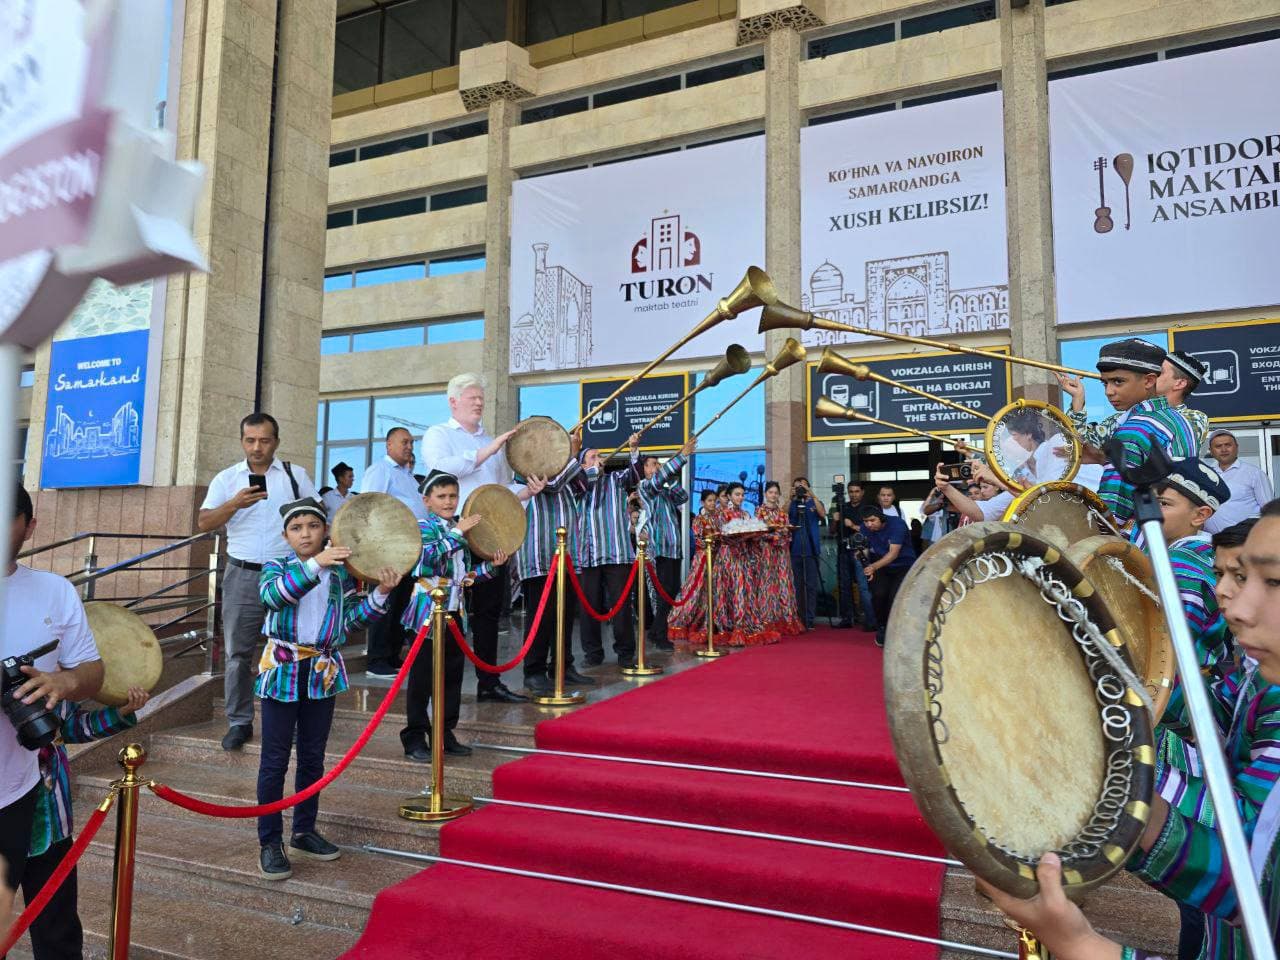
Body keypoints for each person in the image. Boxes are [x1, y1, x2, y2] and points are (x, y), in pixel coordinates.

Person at [981, 500, 1280, 960]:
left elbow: (1251, 868)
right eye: (1239, 577)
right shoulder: (1265, 677)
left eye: (1270, 581)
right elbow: (1255, 883)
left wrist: (1080, 945)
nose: (1236, 605)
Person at [255, 497, 400, 880]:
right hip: (283, 672)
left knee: (313, 757)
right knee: (273, 763)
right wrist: (316, 564)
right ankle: (270, 842)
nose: (306, 534)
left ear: (325, 530)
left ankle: (304, 830)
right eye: (296, 528)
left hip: (323, 673)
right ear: (286, 535)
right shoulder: (276, 567)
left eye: (313, 526)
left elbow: (351, 619)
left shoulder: (340, 573)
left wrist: (381, 593)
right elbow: (274, 597)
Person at [1, 486, 105, 959]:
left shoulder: (54, 590)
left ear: (28, 525)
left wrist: (63, 684)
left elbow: (92, 672)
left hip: (38, 787)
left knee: (57, 923)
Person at [198, 412, 318, 751]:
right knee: (238, 653)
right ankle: (239, 722)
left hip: (287, 574)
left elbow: (317, 516)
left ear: (276, 442)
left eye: (264, 440)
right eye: (250, 440)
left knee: (293, 647)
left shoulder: (295, 476)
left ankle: (290, 718)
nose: (257, 447)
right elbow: (204, 521)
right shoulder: (227, 478)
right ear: (241, 442)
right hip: (242, 574)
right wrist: (235, 503)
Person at [421, 373, 534, 704]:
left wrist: (528, 489)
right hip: (452, 531)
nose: (479, 403)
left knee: (488, 611)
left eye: (482, 399)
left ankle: (489, 682)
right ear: (453, 401)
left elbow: (501, 490)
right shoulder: (439, 434)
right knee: (448, 610)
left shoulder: (491, 443)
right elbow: (442, 470)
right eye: (473, 398)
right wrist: (487, 449)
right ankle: (440, 684)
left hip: (489, 533)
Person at [24, 687, 148, 958]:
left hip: (51, 821)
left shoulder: (53, 668)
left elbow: (71, 727)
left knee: (58, 931)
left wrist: (121, 712)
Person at [399, 472, 507, 762]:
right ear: (427, 501)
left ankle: (444, 733)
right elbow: (425, 561)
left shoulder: (459, 527)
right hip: (425, 613)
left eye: (452, 496)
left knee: (452, 677)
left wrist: (491, 568)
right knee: (422, 678)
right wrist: (458, 533)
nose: (448, 501)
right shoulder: (422, 527)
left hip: (454, 612)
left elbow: (464, 577)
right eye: (441, 496)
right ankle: (414, 737)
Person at [1057, 339, 1196, 527]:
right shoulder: (1177, 420)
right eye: (1104, 383)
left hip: (1144, 543)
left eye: (1118, 382)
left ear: (1148, 380)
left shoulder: (1134, 430)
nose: (1109, 391)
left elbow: (1110, 519)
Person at [515, 438, 594, 696]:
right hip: (540, 555)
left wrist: (578, 463)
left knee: (565, 616)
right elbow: (551, 484)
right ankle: (534, 671)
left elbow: (583, 486)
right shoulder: (523, 464)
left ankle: (562, 666)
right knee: (541, 617)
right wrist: (571, 455)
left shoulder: (566, 467)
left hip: (568, 555)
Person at [359, 427, 428, 679]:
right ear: (388, 445)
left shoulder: (409, 476)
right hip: (388, 548)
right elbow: (369, 505)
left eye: (411, 442)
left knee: (401, 602)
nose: (409, 446)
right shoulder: (381, 470)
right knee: (385, 601)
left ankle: (392, 655)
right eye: (404, 442)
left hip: (409, 550)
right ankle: (376, 659)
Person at [576, 437, 642, 669]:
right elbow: (584, 482)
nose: (599, 460)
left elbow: (634, 475)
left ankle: (625, 652)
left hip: (617, 553)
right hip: (588, 554)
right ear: (582, 465)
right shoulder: (577, 483)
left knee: (621, 605)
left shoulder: (614, 479)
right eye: (592, 457)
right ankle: (593, 653)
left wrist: (633, 449)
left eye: (600, 456)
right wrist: (590, 471)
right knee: (589, 606)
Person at [636, 438, 695, 651]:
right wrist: (682, 456)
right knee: (663, 592)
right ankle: (658, 633)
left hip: (673, 546)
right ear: (643, 469)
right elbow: (655, 481)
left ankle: (658, 631)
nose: (655, 468)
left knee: (670, 591)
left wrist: (671, 479)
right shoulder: (645, 487)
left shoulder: (664, 488)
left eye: (657, 464)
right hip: (659, 547)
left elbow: (683, 496)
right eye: (651, 464)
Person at [859, 504, 917, 648]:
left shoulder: (897, 524)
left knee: (894, 597)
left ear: (881, 518)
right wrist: (862, 558)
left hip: (903, 565)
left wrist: (872, 567)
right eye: (866, 521)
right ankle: (882, 627)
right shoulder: (864, 527)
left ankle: (896, 630)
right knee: (878, 595)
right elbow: (864, 550)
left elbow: (893, 554)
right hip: (881, 566)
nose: (868, 524)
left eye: (872, 520)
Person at [756, 482, 804, 638]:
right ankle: (767, 619)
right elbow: (758, 533)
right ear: (765, 494)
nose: (773, 495)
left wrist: (782, 534)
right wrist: (776, 534)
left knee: (783, 583)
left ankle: (785, 618)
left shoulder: (783, 513)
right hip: (766, 552)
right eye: (770, 492)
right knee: (767, 585)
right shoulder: (759, 511)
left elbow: (789, 534)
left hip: (782, 553)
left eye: (776, 492)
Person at [1204, 429, 1274, 534]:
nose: (1223, 449)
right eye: (1218, 446)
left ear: (1236, 447)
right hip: (1212, 541)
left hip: (1245, 540)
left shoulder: (1254, 473)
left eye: (1228, 445)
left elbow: (1269, 510)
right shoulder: (1205, 474)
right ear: (1211, 450)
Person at [787, 477, 827, 630]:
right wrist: (791, 498)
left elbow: (823, 514)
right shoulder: (793, 502)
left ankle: (810, 619)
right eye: (797, 487)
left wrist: (811, 494)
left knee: (811, 585)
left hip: (811, 548)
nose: (800, 489)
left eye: (803, 486)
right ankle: (798, 618)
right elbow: (783, 514)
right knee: (797, 586)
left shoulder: (814, 502)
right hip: (795, 550)